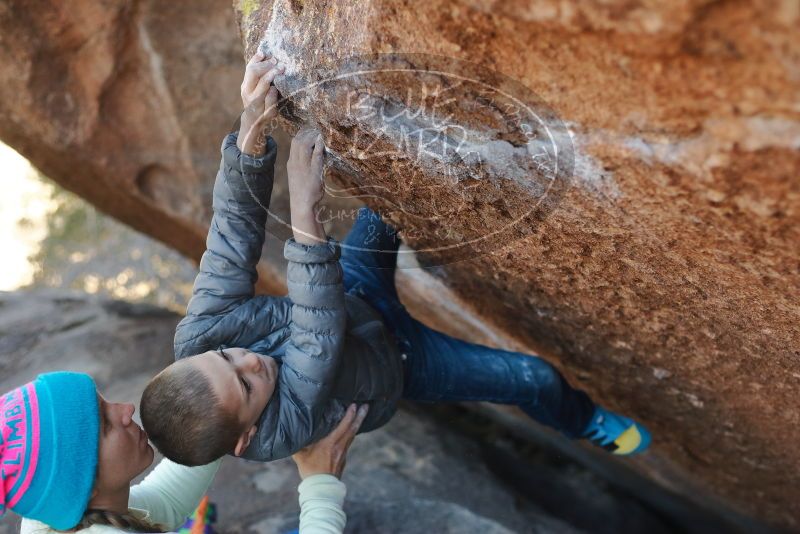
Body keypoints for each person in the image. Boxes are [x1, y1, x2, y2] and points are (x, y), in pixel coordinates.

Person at [140, 48, 651, 468]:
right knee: (534, 379)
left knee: (390, 195)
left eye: (228, 357)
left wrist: (251, 131)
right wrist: (304, 208)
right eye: (247, 384)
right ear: (244, 438)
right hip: (403, 364)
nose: (248, 360)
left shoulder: (200, 337)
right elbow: (316, 335)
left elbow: (230, 241)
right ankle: (584, 421)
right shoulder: (281, 431)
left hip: (358, 292)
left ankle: (475, 108)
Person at [0, 372, 364, 532]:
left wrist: (220, 422)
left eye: (105, 403)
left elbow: (165, 506)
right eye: (107, 426)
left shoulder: (49, 514)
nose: (126, 409)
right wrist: (321, 483)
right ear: (85, 486)